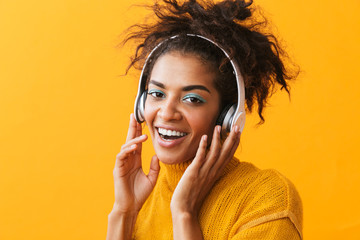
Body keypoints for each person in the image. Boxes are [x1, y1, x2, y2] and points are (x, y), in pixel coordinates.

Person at [107, 0, 303, 239]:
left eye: (192, 99)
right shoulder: (142, 195)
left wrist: (184, 213)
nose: (167, 113)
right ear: (141, 104)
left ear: (228, 115)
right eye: (157, 94)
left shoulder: (267, 199)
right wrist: (124, 212)